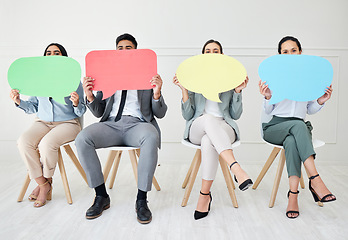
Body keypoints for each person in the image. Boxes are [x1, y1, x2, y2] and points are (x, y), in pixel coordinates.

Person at [75, 33, 167, 224]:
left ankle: (142, 200)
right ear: (115, 51)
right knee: (82, 138)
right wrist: (89, 95)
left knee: (151, 135)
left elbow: (160, 113)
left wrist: (157, 93)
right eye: (120, 48)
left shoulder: (147, 74)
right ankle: (101, 196)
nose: (124, 51)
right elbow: (99, 112)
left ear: (136, 51)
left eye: (128, 48)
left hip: (138, 125)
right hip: (111, 125)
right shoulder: (106, 73)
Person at [173, 39, 252, 220]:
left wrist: (238, 91)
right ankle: (236, 168)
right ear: (202, 55)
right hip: (198, 126)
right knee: (207, 119)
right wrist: (184, 90)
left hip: (224, 127)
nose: (211, 53)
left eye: (215, 51)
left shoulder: (231, 78)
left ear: (222, 55)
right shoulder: (193, 77)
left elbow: (235, 114)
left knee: (209, 141)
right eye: (208, 51)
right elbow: (188, 115)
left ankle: (204, 195)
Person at [259, 36, 336, 219]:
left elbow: (309, 109)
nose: (290, 54)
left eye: (293, 50)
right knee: (298, 125)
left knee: (293, 140)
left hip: (297, 130)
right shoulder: (274, 76)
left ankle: (293, 195)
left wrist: (320, 101)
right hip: (275, 126)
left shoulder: (308, 79)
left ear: (300, 52)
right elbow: (268, 111)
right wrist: (268, 97)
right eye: (285, 52)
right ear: (280, 55)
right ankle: (315, 180)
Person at [10, 43, 86, 207]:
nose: (52, 55)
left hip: (68, 123)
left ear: (63, 57)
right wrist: (18, 101)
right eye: (48, 53)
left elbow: (81, 111)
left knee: (47, 144)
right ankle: (43, 184)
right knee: (23, 142)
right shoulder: (39, 80)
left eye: (56, 53)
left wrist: (76, 103)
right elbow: (33, 107)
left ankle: (45, 184)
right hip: (42, 122)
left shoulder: (73, 79)